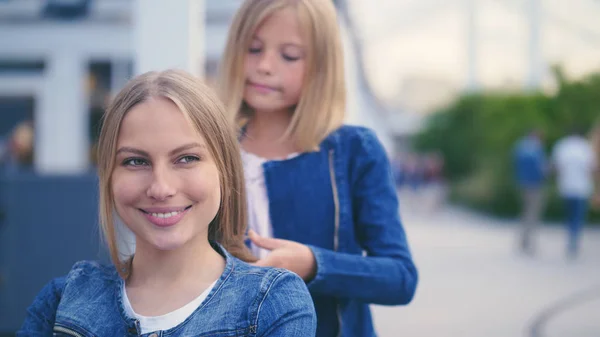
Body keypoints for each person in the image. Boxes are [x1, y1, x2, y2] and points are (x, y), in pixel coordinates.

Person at [18, 70, 316, 336]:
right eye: (136, 161)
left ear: (224, 170)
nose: (161, 188)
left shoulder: (273, 303)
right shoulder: (62, 301)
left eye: (187, 158)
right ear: (109, 176)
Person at [218, 1, 418, 336]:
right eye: (253, 48)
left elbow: (400, 278)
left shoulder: (356, 150)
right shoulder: (207, 147)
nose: (265, 65)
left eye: (290, 55)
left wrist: (314, 264)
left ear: (322, 65)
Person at [552, 127, 597, 258]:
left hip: (566, 187)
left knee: (569, 215)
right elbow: (592, 168)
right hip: (582, 188)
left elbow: (557, 167)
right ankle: (574, 240)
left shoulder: (562, 146)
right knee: (578, 216)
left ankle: (570, 238)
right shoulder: (585, 147)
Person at [513, 130, 548, 255]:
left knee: (525, 211)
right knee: (533, 213)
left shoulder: (520, 147)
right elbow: (542, 168)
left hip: (522, 183)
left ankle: (523, 239)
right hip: (535, 185)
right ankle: (530, 241)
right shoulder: (536, 149)